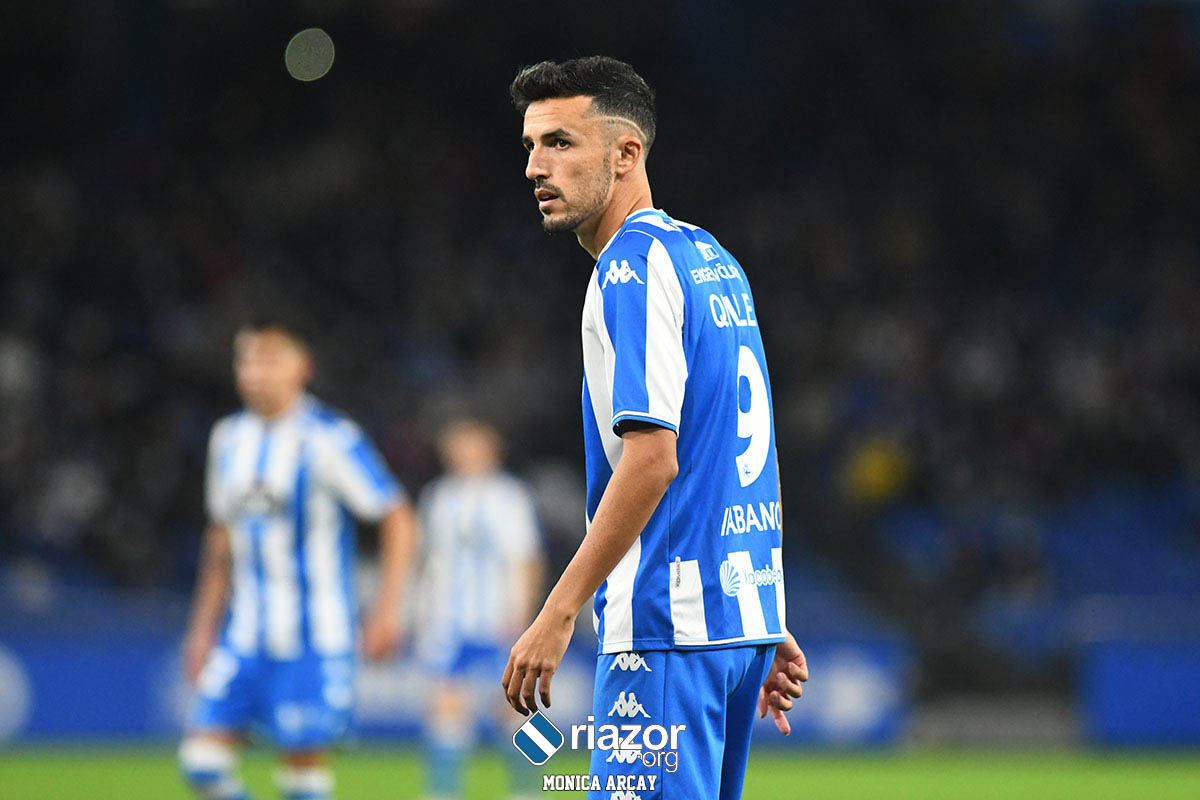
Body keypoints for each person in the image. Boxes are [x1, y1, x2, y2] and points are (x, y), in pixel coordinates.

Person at [501, 57, 809, 800]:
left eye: (561, 143)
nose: (537, 166)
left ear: (626, 153)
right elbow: (732, 445)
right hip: (732, 623)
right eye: (531, 146)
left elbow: (653, 460)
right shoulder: (710, 257)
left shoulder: (628, 270)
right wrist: (758, 611)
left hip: (666, 630)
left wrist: (558, 611)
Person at [178, 320, 416, 800]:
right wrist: (202, 627)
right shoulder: (228, 439)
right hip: (245, 635)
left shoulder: (328, 437)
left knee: (301, 777)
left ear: (301, 367)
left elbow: (396, 514)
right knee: (201, 765)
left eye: (269, 360)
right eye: (246, 360)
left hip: (315, 638)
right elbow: (221, 539)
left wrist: (389, 608)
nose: (254, 373)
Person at [410, 419, 546, 800]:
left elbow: (528, 558)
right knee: (446, 712)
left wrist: (524, 616)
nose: (464, 452)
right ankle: (443, 793)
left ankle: (527, 792)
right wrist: (422, 613)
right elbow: (427, 560)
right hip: (448, 624)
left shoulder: (509, 496)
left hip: (499, 621)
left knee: (516, 710)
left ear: (491, 449)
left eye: (472, 444)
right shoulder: (438, 497)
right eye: (458, 445)